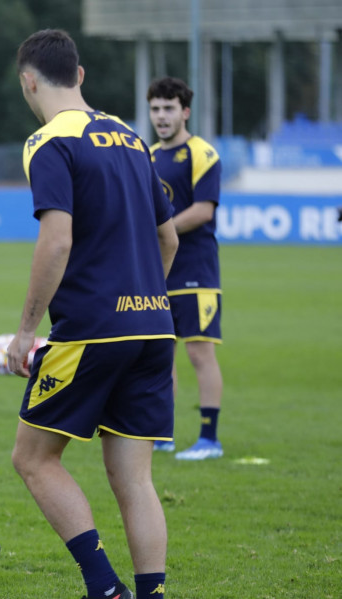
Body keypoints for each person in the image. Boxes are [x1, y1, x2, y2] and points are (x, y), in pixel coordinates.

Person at [7, 30, 178, 599]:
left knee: (33, 459)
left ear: (28, 81)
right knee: (134, 477)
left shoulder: (48, 142)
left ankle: (104, 588)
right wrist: (145, 299)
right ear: (80, 76)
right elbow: (169, 238)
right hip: (154, 326)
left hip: (94, 330)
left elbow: (56, 242)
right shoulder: (132, 138)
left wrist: (27, 331)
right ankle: (151, 593)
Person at [147, 76, 225, 461]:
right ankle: (163, 434)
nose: (161, 116)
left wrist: (157, 229)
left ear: (185, 112)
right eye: (155, 109)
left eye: (168, 109)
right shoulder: (146, 156)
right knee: (162, 354)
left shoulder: (202, 154)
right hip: (158, 272)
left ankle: (210, 439)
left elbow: (203, 210)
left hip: (196, 272)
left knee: (199, 354)